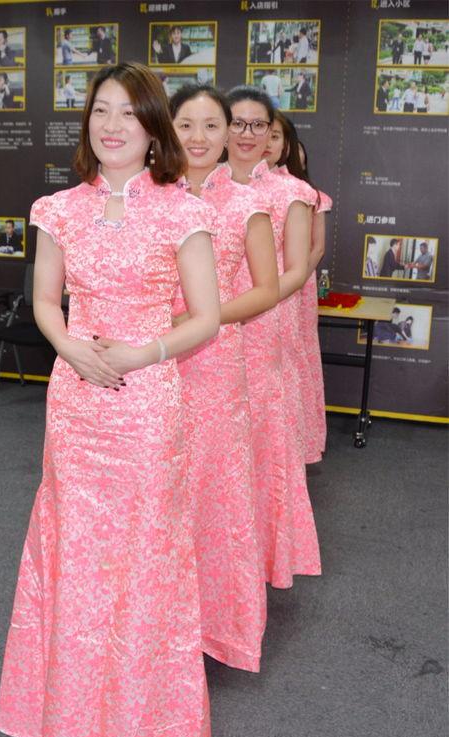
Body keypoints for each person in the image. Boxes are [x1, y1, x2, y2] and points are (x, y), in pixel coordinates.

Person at [0, 62, 221, 737]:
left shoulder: (183, 211)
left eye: (128, 112)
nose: (112, 124)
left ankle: (132, 728)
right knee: (73, 552)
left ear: (153, 128)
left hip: (147, 401)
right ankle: (65, 721)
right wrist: (70, 350)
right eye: (100, 110)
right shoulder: (57, 209)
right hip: (77, 400)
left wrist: (145, 352)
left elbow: (207, 318)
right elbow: (45, 300)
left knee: (143, 553)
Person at [169, 84, 278, 672]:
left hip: (214, 367)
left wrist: (203, 317)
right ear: (167, 128)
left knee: (213, 495)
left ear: (229, 134)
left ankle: (216, 628)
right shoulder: (149, 197)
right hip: (150, 366)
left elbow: (266, 290)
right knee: (160, 492)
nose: (199, 137)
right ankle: (158, 622)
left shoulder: (246, 205)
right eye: (186, 124)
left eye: (213, 126)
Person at [226, 84, 321, 590]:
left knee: (263, 438)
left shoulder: (291, 194)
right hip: (205, 333)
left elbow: (298, 270)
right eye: (236, 122)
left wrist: (241, 308)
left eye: (257, 124)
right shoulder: (197, 187)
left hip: (263, 327)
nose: (247, 133)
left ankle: (263, 554)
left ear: (271, 134)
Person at [264, 111, 331, 464]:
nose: (265, 142)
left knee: (291, 360)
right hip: (250, 293)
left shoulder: (301, 194)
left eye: (275, 136)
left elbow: (314, 249)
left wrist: (295, 278)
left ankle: (293, 446)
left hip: (291, 287)